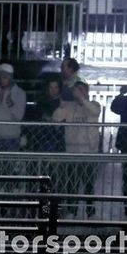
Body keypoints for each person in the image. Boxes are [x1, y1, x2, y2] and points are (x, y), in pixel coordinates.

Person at [51, 81, 102, 218]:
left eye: (81, 90)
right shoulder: (68, 106)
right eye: (76, 90)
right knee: (72, 184)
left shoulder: (94, 105)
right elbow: (56, 119)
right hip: (72, 152)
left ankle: (91, 212)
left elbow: (95, 112)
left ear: (87, 92)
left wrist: (81, 99)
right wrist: (61, 105)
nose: (78, 92)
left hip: (89, 152)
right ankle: (72, 211)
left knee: (88, 184)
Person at [0, 63, 27, 151]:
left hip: (12, 138)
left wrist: (11, 105)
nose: (2, 80)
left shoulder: (20, 93)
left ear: (11, 78)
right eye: (0, 77)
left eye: (5, 77)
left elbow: (19, 117)